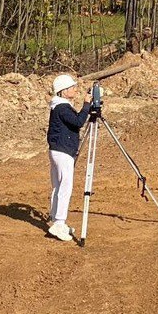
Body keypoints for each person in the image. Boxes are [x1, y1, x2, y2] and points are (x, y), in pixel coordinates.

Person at [46, 74, 94, 242]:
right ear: (64, 91)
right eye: (72, 87)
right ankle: (59, 223)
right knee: (64, 187)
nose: (75, 89)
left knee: (58, 186)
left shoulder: (58, 106)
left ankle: (56, 219)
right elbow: (78, 121)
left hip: (58, 150)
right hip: (63, 151)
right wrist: (87, 104)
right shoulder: (62, 108)